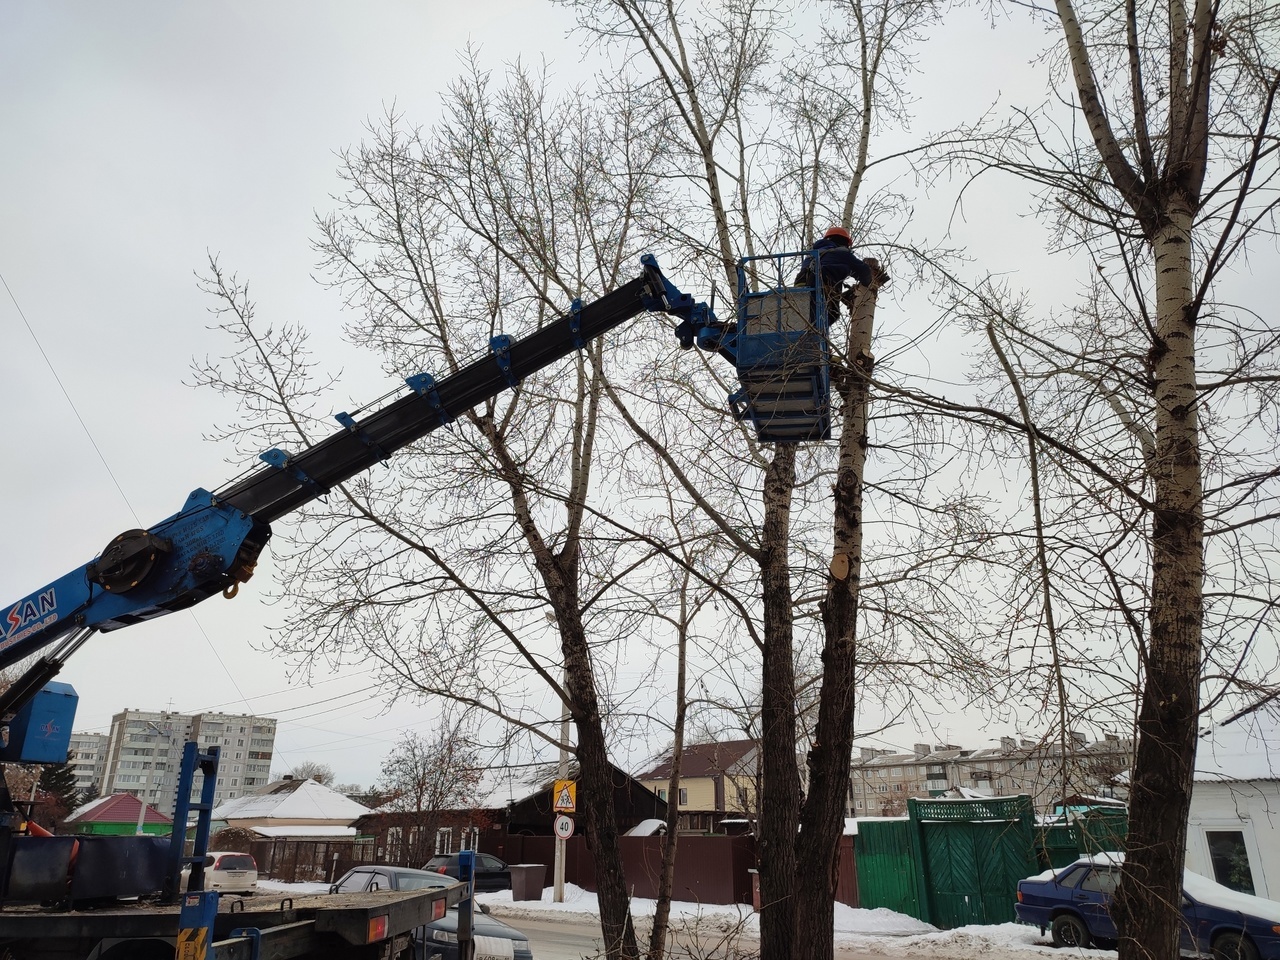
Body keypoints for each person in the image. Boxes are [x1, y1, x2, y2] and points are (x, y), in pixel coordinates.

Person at [794, 225, 872, 326]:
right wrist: (870, 283)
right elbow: (864, 272)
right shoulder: (842, 253)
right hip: (823, 291)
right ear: (843, 242)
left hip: (801, 292)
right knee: (832, 315)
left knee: (807, 322)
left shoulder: (811, 256)